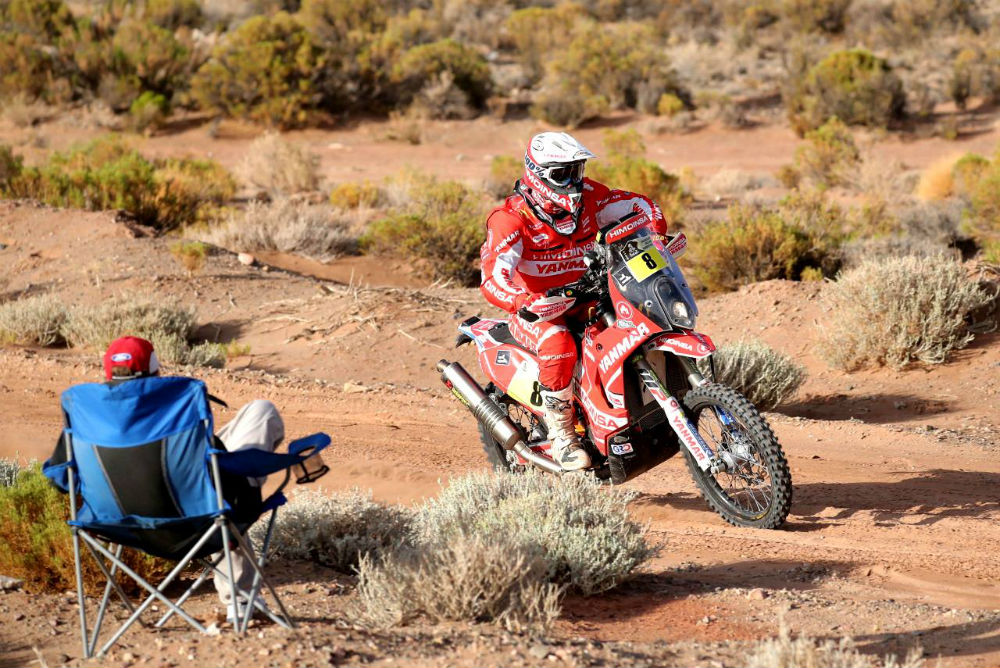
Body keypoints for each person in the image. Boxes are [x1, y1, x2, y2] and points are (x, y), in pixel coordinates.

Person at [48, 335, 283, 620]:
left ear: (107, 372)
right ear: (155, 368)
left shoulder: (85, 410)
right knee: (259, 414)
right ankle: (241, 601)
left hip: (116, 526)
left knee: (208, 492)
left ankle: (242, 600)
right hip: (199, 520)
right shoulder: (179, 396)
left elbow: (60, 478)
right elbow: (216, 463)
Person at [479, 131, 669, 471]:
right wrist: (524, 301)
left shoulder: (592, 196)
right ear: (536, 173)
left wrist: (655, 235)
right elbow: (492, 279)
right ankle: (562, 435)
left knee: (640, 320)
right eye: (562, 174)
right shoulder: (510, 219)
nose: (574, 181)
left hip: (591, 293)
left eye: (577, 171)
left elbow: (641, 205)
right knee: (559, 343)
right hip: (540, 310)